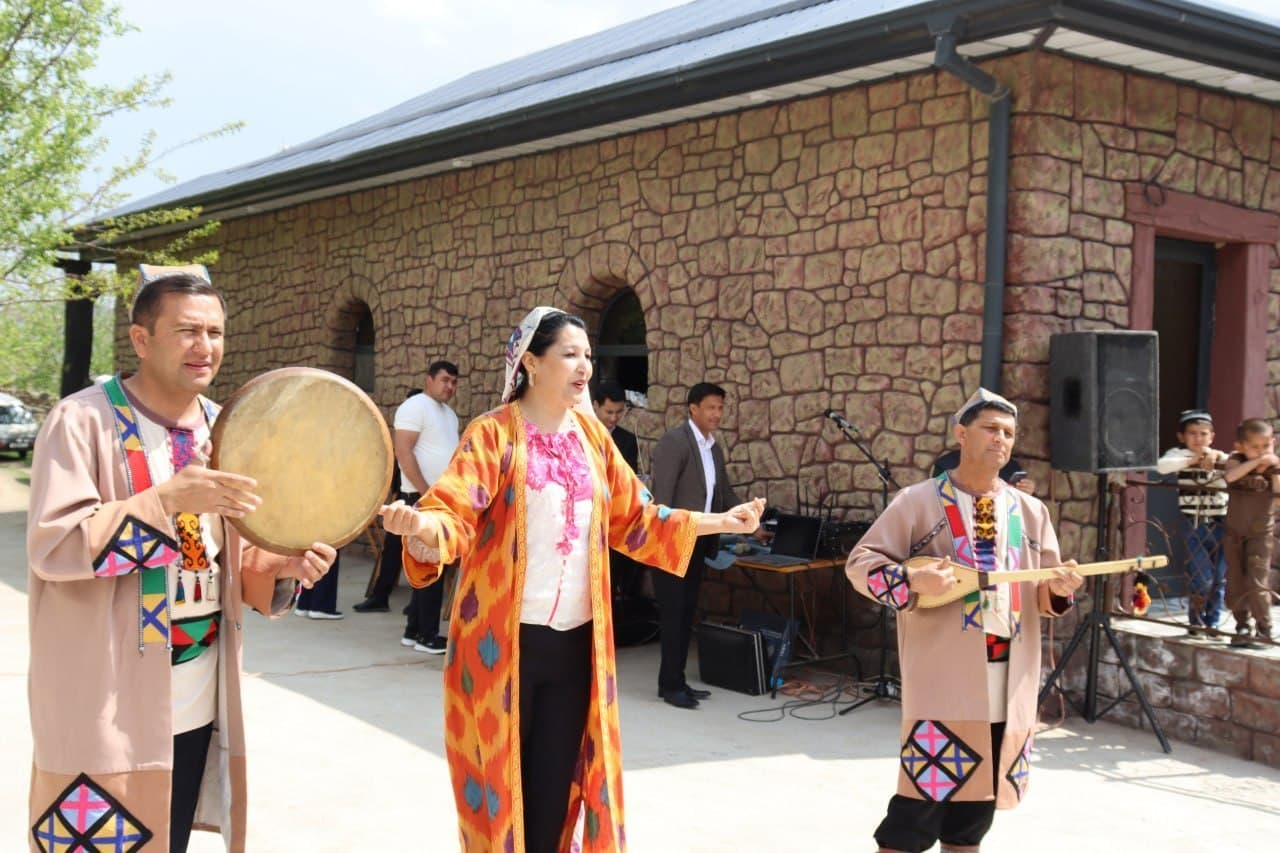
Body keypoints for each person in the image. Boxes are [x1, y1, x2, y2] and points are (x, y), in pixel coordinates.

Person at [378, 307, 764, 853]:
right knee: (498, 790)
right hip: (501, 648)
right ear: (531, 364)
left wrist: (720, 522)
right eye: (570, 354)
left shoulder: (592, 438)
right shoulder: (492, 434)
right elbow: (454, 511)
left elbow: (638, 517)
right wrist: (420, 526)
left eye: (588, 355)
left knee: (556, 792)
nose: (584, 366)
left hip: (576, 647)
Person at [26, 267, 335, 852]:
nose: (206, 347)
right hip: (107, 697)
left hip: (197, 689)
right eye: (188, 331)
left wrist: (282, 569)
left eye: (216, 332)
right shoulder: (82, 421)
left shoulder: (229, 425)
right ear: (141, 339)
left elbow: (237, 560)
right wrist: (166, 501)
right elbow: (55, 544)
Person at [845, 387, 1082, 853]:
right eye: (990, 428)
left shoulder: (1031, 511)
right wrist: (913, 583)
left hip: (1009, 676)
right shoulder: (917, 501)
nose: (1001, 439)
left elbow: (1043, 590)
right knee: (919, 804)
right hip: (946, 677)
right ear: (961, 433)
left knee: (976, 812)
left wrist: (1058, 591)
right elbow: (861, 564)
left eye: (1009, 433)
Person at [355, 362, 460, 656]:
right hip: (421, 499)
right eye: (444, 380)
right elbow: (403, 451)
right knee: (429, 564)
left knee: (429, 565)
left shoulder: (449, 415)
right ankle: (426, 635)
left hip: (440, 499)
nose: (449, 386)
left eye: (454, 382)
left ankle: (415, 631)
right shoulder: (416, 406)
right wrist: (427, 492)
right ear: (428, 380)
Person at [650, 382, 741, 709]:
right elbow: (662, 497)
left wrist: (748, 518)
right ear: (693, 408)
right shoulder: (675, 442)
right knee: (674, 614)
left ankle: (675, 681)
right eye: (711, 407)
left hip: (700, 542)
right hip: (672, 542)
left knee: (687, 612)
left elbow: (723, 493)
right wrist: (667, 538)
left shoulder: (712, 448)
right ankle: (672, 685)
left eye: (720, 408)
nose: (717, 414)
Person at [1156, 409, 1230, 639]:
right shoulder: (1177, 455)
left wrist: (1213, 455)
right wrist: (1194, 459)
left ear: (1212, 436)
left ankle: (1213, 623)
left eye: (1203, 434)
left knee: (1219, 576)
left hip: (1220, 522)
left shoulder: (1219, 456)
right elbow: (1162, 466)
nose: (1198, 438)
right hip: (1194, 524)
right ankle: (1196, 621)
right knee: (1201, 575)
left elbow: (1233, 464)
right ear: (1182, 437)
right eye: (1193, 434)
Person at [1222, 418, 1280, 648]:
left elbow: (1277, 497)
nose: (1261, 451)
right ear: (1240, 446)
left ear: (1273, 443)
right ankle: (1241, 625)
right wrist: (1256, 461)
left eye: (1266, 446)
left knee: (1256, 581)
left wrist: (1273, 469)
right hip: (1234, 532)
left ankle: (1264, 627)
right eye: (1254, 447)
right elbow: (1230, 476)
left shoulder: (1273, 466)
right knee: (1235, 580)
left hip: (1260, 534)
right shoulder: (1236, 460)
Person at [591, 380, 638, 470]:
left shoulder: (629, 441)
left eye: (619, 412)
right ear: (596, 405)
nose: (614, 418)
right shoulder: (581, 432)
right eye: (609, 412)